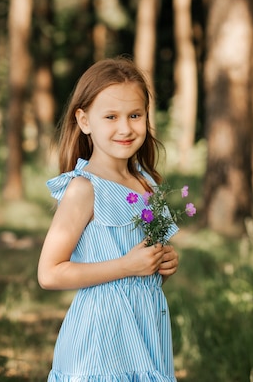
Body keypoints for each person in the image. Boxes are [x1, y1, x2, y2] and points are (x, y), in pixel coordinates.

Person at [37, 57, 180, 382]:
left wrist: (161, 263)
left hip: (147, 330)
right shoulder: (84, 188)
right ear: (85, 121)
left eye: (135, 115)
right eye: (111, 117)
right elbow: (49, 273)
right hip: (102, 339)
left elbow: (140, 268)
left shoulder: (147, 183)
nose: (125, 128)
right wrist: (128, 266)